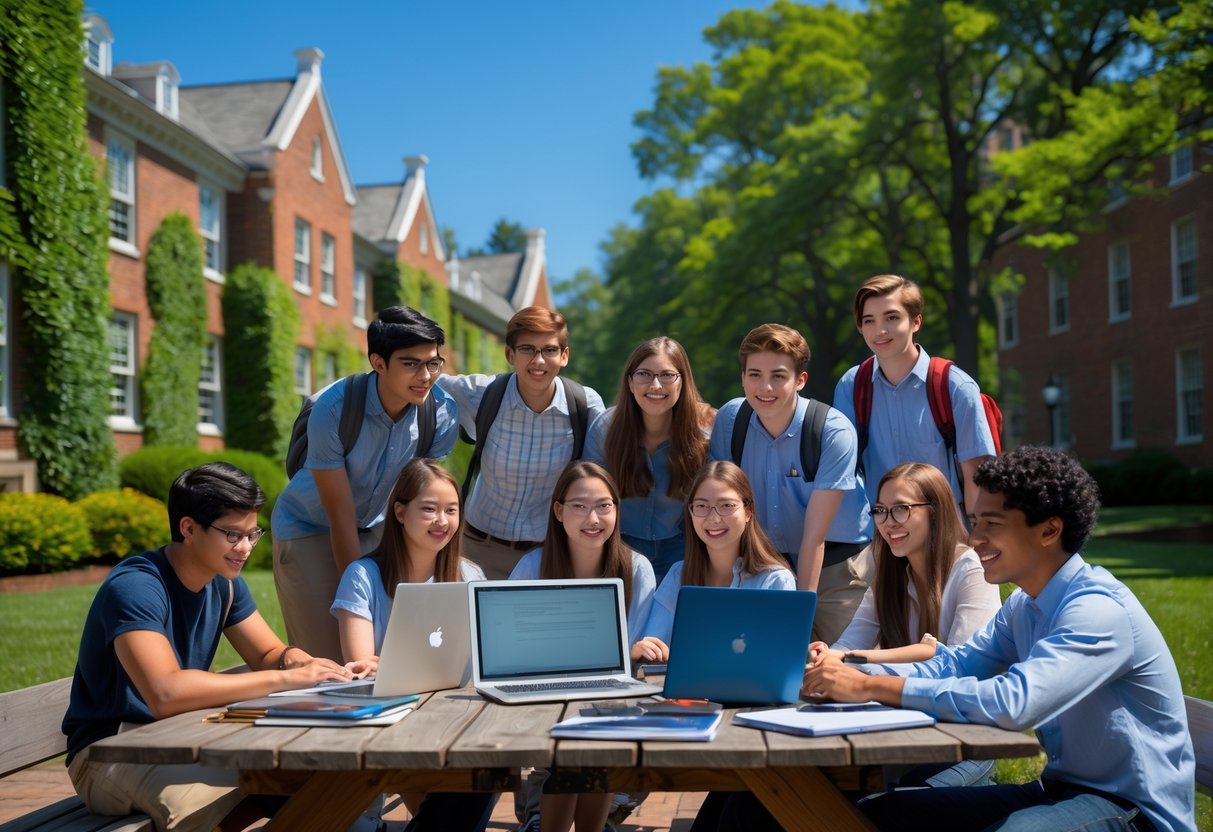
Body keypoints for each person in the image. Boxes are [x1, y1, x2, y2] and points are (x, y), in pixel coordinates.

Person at [804, 446, 1196, 832]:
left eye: (992, 524)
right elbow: (955, 664)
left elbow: (1013, 703)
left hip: (1133, 809)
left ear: (1049, 530)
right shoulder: (1024, 606)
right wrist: (850, 675)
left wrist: (871, 686)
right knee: (882, 813)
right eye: (976, 522)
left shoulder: (1097, 612)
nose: (975, 538)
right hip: (1058, 790)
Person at [62, 463, 365, 832]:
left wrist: (301, 663)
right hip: (111, 752)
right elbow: (166, 693)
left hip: (186, 738)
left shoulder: (224, 583)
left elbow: (267, 655)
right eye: (233, 535)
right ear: (189, 528)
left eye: (252, 534)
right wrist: (286, 680)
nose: (246, 548)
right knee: (211, 801)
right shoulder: (136, 587)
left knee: (321, 776)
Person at [272, 305, 459, 660]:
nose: (425, 376)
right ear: (378, 363)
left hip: (377, 527)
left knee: (387, 650)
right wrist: (362, 595)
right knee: (326, 660)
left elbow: (421, 496)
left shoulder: (442, 413)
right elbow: (340, 516)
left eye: (433, 363)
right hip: (310, 528)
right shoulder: (334, 409)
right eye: (411, 363)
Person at [330, 459, 493, 832]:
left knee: (488, 767)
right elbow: (361, 664)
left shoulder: (469, 575)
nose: (442, 521)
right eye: (430, 509)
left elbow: (482, 656)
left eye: (451, 510)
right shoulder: (363, 576)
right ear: (400, 512)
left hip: (454, 713)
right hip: (389, 714)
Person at [509, 461, 657, 832]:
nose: (593, 518)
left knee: (595, 741)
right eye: (579, 506)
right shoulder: (531, 568)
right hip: (542, 697)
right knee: (573, 750)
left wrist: (634, 652)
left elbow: (636, 649)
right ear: (558, 511)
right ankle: (541, 817)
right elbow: (512, 646)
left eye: (604, 506)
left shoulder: (637, 568)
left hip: (610, 699)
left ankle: (593, 819)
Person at [709, 323, 871, 643]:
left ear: (800, 380)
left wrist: (796, 618)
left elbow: (814, 537)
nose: (765, 387)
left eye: (778, 376)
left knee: (837, 662)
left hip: (837, 567)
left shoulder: (832, 431)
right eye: (754, 374)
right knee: (758, 658)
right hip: (764, 565)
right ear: (743, 377)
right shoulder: (730, 421)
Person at [437, 306, 605, 580]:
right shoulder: (483, 394)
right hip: (477, 551)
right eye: (527, 349)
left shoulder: (584, 406)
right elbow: (423, 379)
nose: (538, 361)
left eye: (549, 350)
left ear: (564, 355)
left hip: (548, 556)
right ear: (510, 354)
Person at [833, 274, 995, 513]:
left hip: (944, 529)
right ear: (860, 327)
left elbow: (976, 478)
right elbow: (841, 471)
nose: (880, 330)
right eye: (869, 321)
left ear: (916, 322)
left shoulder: (955, 387)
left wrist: (974, 536)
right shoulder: (852, 385)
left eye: (892, 317)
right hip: (880, 530)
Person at [585, 336, 715, 582]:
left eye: (667, 375)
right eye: (644, 374)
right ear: (630, 382)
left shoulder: (705, 434)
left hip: (682, 549)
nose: (655, 385)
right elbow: (588, 496)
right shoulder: (606, 428)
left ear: (682, 382)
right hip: (617, 546)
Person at [639, 460, 795, 655]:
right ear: (690, 511)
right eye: (702, 506)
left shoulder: (775, 581)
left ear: (748, 512)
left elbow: (781, 655)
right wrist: (644, 650)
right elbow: (654, 642)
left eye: (727, 505)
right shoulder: (678, 574)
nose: (713, 518)